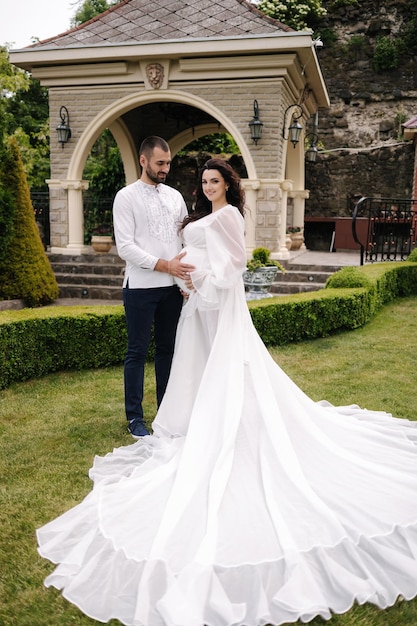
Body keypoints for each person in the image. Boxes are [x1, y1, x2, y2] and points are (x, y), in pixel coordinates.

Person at [37, 159, 417, 626]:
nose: (208, 186)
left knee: (226, 369)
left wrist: (205, 283)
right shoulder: (198, 215)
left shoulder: (232, 215)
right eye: (204, 181)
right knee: (193, 365)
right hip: (197, 304)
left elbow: (235, 263)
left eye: (215, 181)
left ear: (228, 186)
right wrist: (186, 281)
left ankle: (234, 419)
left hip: (217, 302)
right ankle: (196, 418)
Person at [112, 136, 194, 438]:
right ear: (143, 160)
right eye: (160, 163)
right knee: (136, 351)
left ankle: (166, 411)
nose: (165, 168)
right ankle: (135, 418)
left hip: (171, 289)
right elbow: (126, 247)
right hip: (140, 287)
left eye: (168, 163)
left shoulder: (175, 196)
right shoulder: (126, 197)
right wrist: (165, 265)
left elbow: (183, 242)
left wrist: (183, 278)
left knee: (167, 351)